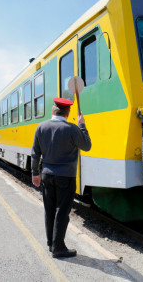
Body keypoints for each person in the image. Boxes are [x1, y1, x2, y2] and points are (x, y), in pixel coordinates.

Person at [31, 98, 92, 258]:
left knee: (49, 210)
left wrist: (34, 173)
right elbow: (87, 146)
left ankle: (51, 243)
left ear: (53, 111)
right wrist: (82, 125)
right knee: (62, 212)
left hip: (47, 175)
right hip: (66, 177)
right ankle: (59, 247)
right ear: (68, 112)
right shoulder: (72, 129)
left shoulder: (41, 127)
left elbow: (35, 153)